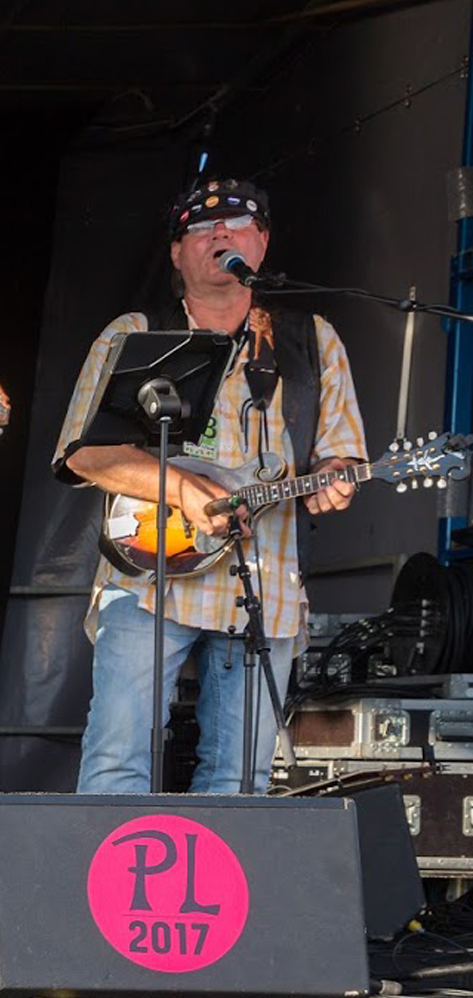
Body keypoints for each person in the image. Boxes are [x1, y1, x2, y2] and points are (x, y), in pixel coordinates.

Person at [55, 178, 365, 794]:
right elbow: (85, 456)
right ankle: (107, 889)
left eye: (240, 225)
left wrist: (335, 482)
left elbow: (337, 458)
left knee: (240, 780)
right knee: (119, 760)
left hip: (265, 583)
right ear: (176, 253)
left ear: (264, 243)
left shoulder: (311, 339)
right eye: (201, 227)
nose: (221, 234)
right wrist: (183, 490)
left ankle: (216, 894)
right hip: (149, 576)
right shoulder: (136, 333)